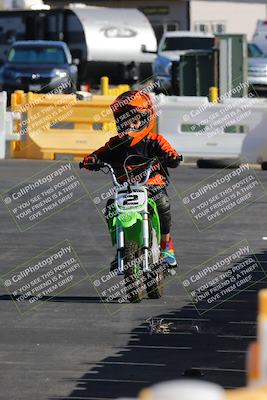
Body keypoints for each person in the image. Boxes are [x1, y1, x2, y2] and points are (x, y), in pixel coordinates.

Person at [83, 90, 181, 267]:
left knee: (162, 203)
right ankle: (121, 249)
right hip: (125, 189)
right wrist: (91, 160)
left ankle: (167, 246)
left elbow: (171, 153)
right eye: (125, 120)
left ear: (145, 118)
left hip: (152, 186)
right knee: (111, 207)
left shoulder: (155, 141)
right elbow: (97, 155)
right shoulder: (114, 144)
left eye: (134, 119)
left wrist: (171, 156)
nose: (130, 124)